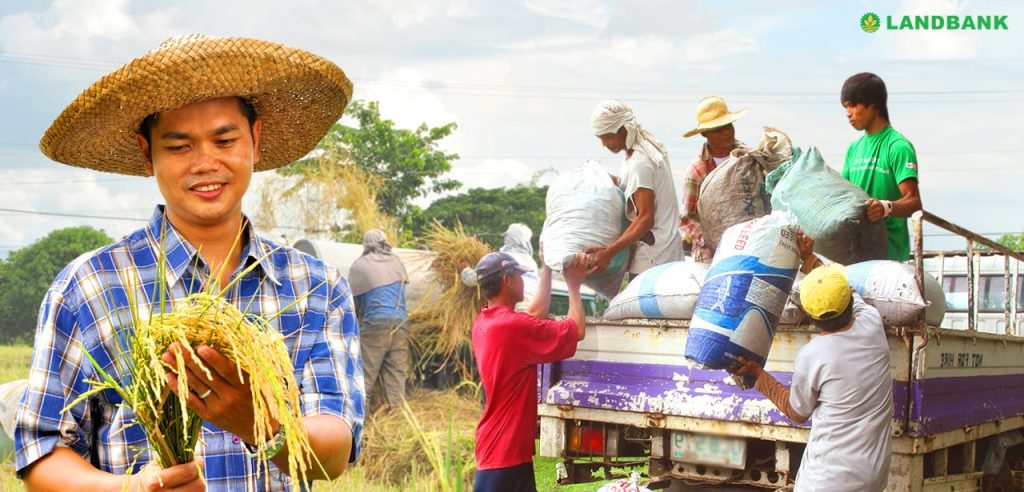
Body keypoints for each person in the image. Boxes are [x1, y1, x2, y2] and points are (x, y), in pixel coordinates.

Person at [16, 35, 363, 491]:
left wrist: (260, 421)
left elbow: (333, 455)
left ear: (255, 142)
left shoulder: (315, 286)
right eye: (179, 147)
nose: (205, 163)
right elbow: (42, 451)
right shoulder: (90, 285)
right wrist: (130, 488)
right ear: (147, 153)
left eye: (224, 139)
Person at [733, 234, 893, 491]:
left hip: (826, 480)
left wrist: (757, 374)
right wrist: (809, 259)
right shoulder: (871, 323)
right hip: (873, 477)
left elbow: (797, 411)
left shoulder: (814, 354)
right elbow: (845, 289)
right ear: (850, 304)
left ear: (811, 318)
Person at [471, 251, 588, 492]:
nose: (523, 281)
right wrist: (574, 285)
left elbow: (534, 316)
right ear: (506, 280)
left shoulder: (486, 321)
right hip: (505, 451)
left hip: (503, 447)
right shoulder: (511, 327)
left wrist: (547, 267)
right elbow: (576, 330)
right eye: (520, 276)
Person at [588, 100, 684, 277]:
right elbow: (634, 190)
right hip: (664, 255)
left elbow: (645, 219)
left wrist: (609, 252)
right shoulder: (638, 155)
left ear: (624, 129)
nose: (604, 143)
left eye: (607, 136)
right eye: (600, 138)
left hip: (654, 260)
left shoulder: (641, 162)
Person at [841, 72, 923, 261]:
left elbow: (914, 201)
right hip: (856, 254)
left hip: (889, 256)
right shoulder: (853, 149)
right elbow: (843, 195)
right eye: (845, 107)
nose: (848, 113)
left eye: (853, 105)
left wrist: (886, 207)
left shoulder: (897, 146)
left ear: (872, 104)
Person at [679, 96, 751, 262]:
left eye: (728, 126)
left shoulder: (748, 158)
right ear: (705, 134)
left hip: (749, 247)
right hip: (710, 255)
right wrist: (709, 240)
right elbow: (687, 217)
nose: (727, 132)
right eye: (719, 129)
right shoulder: (697, 170)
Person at [350, 229, 409, 411]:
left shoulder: (360, 266)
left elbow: (355, 306)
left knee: (365, 379)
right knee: (396, 378)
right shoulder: (397, 262)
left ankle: (361, 427)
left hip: (375, 326)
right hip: (400, 325)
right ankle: (398, 424)